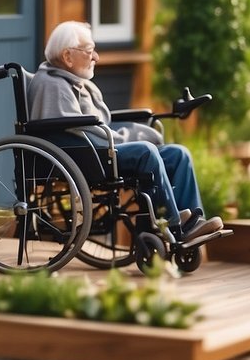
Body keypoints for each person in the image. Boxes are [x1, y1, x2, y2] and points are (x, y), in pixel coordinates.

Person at [27, 20, 223, 242]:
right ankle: (172, 225)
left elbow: (92, 125)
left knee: (179, 154)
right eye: (89, 51)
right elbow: (72, 129)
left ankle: (191, 222)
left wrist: (129, 133)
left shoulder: (73, 81)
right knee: (146, 151)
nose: (96, 57)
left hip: (97, 150)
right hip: (84, 155)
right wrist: (127, 136)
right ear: (67, 56)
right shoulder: (52, 84)